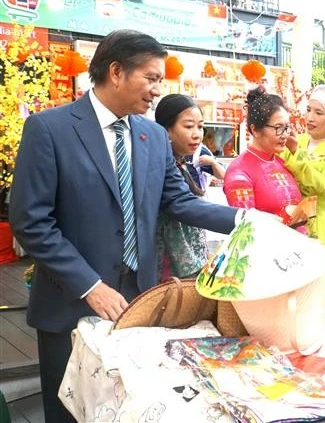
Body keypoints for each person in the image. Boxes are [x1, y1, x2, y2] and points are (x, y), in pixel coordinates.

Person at [8, 30, 240, 422]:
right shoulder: (51, 129)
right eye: (150, 78)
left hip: (138, 304)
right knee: (71, 413)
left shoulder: (151, 137)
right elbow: (32, 221)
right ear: (116, 71)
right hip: (71, 304)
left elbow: (178, 201)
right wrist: (90, 285)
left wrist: (243, 219)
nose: (156, 91)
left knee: (127, 409)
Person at [154, 94, 225, 279]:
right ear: (166, 130)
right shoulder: (159, 166)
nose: (197, 134)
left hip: (189, 266)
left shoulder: (181, 161)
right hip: (170, 273)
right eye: (188, 126)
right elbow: (185, 208)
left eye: (200, 126)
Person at [281, 85, 325, 253]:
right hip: (292, 219)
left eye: (319, 113)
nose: (310, 118)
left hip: (322, 222)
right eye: (309, 110)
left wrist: (296, 154)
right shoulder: (299, 140)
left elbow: (321, 183)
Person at [224, 87, 302, 224]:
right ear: (255, 130)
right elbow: (245, 226)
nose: (285, 135)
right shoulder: (239, 172)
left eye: (286, 128)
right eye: (278, 128)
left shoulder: (280, 162)